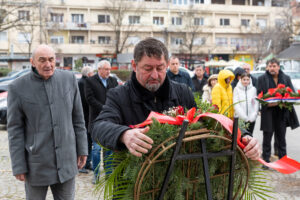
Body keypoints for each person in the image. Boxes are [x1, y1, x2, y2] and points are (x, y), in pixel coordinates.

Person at [91, 37, 261, 162]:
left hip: (179, 184)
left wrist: (244, 137)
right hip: (132, 186)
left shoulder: (182, 92)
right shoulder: (119, 95)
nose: (155, 75)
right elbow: (98, 127)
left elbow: (210, 122)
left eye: (160, 68)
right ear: (134, 66)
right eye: (147, 68)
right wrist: (123, 134)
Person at [7, 44, 87, 199]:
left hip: (67, 162)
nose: (48, 65)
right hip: (36, 165)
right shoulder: (17, 87)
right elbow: (15, 130)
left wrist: (82, 149)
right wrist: (18, 165)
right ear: (32, 62)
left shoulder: (69, 79)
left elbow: (78, 118)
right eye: (42, 60)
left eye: (51, 59)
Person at [257, 58, 299, 168]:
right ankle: (266, 160)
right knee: (267, 137)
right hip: (268, 113)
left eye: (274, 66)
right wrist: (266, 103)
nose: (272, 68)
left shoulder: (286, 78)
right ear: (267, 67)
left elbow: (292, 93)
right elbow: (259, 94)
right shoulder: (262, 79)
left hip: (282, 113)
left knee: (281, 138)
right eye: (270, 66)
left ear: (278, 67)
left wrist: (286, 101)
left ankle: (283, 160)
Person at [85, 60, 118, 182]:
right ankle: (96, 174)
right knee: (96, 149)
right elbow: (90, 99)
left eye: (110, 69)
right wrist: (105, 108)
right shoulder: (90, 81)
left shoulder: (113, 81)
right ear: (99, 69)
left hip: (110, 121)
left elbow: (117, 96)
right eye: (106, 69)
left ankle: (109, 174)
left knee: (108, 150)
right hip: (96, 120)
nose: (109, 72)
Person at [78, 66, 94, 173]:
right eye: (92, 72)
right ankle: (83, 165)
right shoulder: (85, 83)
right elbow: (87, 101)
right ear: (88, 74)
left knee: (88, 140)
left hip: (85, 115)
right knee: (86, 140)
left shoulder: (81, 82)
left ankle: (87, 163)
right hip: (85, 116)